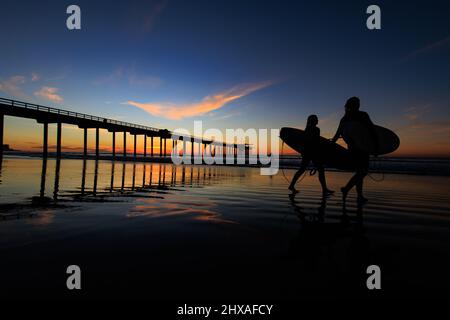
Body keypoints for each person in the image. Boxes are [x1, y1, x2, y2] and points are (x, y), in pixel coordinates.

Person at [331, 97, 378, 204]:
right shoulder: (363, 115)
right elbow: (372, 131)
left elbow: (337, 135)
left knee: (359, 172)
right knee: (363, 171)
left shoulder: (344, 119)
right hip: (363, 148)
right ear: (354, 105)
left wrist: (330, 145)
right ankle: (346, 188)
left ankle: (359, 196)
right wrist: (376, 147)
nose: (358, 105)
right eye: (357, 103)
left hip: (352, 148)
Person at [288, 115, 334, 196]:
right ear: (313, 121)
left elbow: (306, 141)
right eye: (316, 119)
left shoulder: (307, 129)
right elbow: (316, 142)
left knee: (302, 169)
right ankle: (324, 189)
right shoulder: (316, 129)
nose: (317, 120)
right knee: (320, 170)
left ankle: (291, 185)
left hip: (307, 152)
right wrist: (326, 142)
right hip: (313, 152)